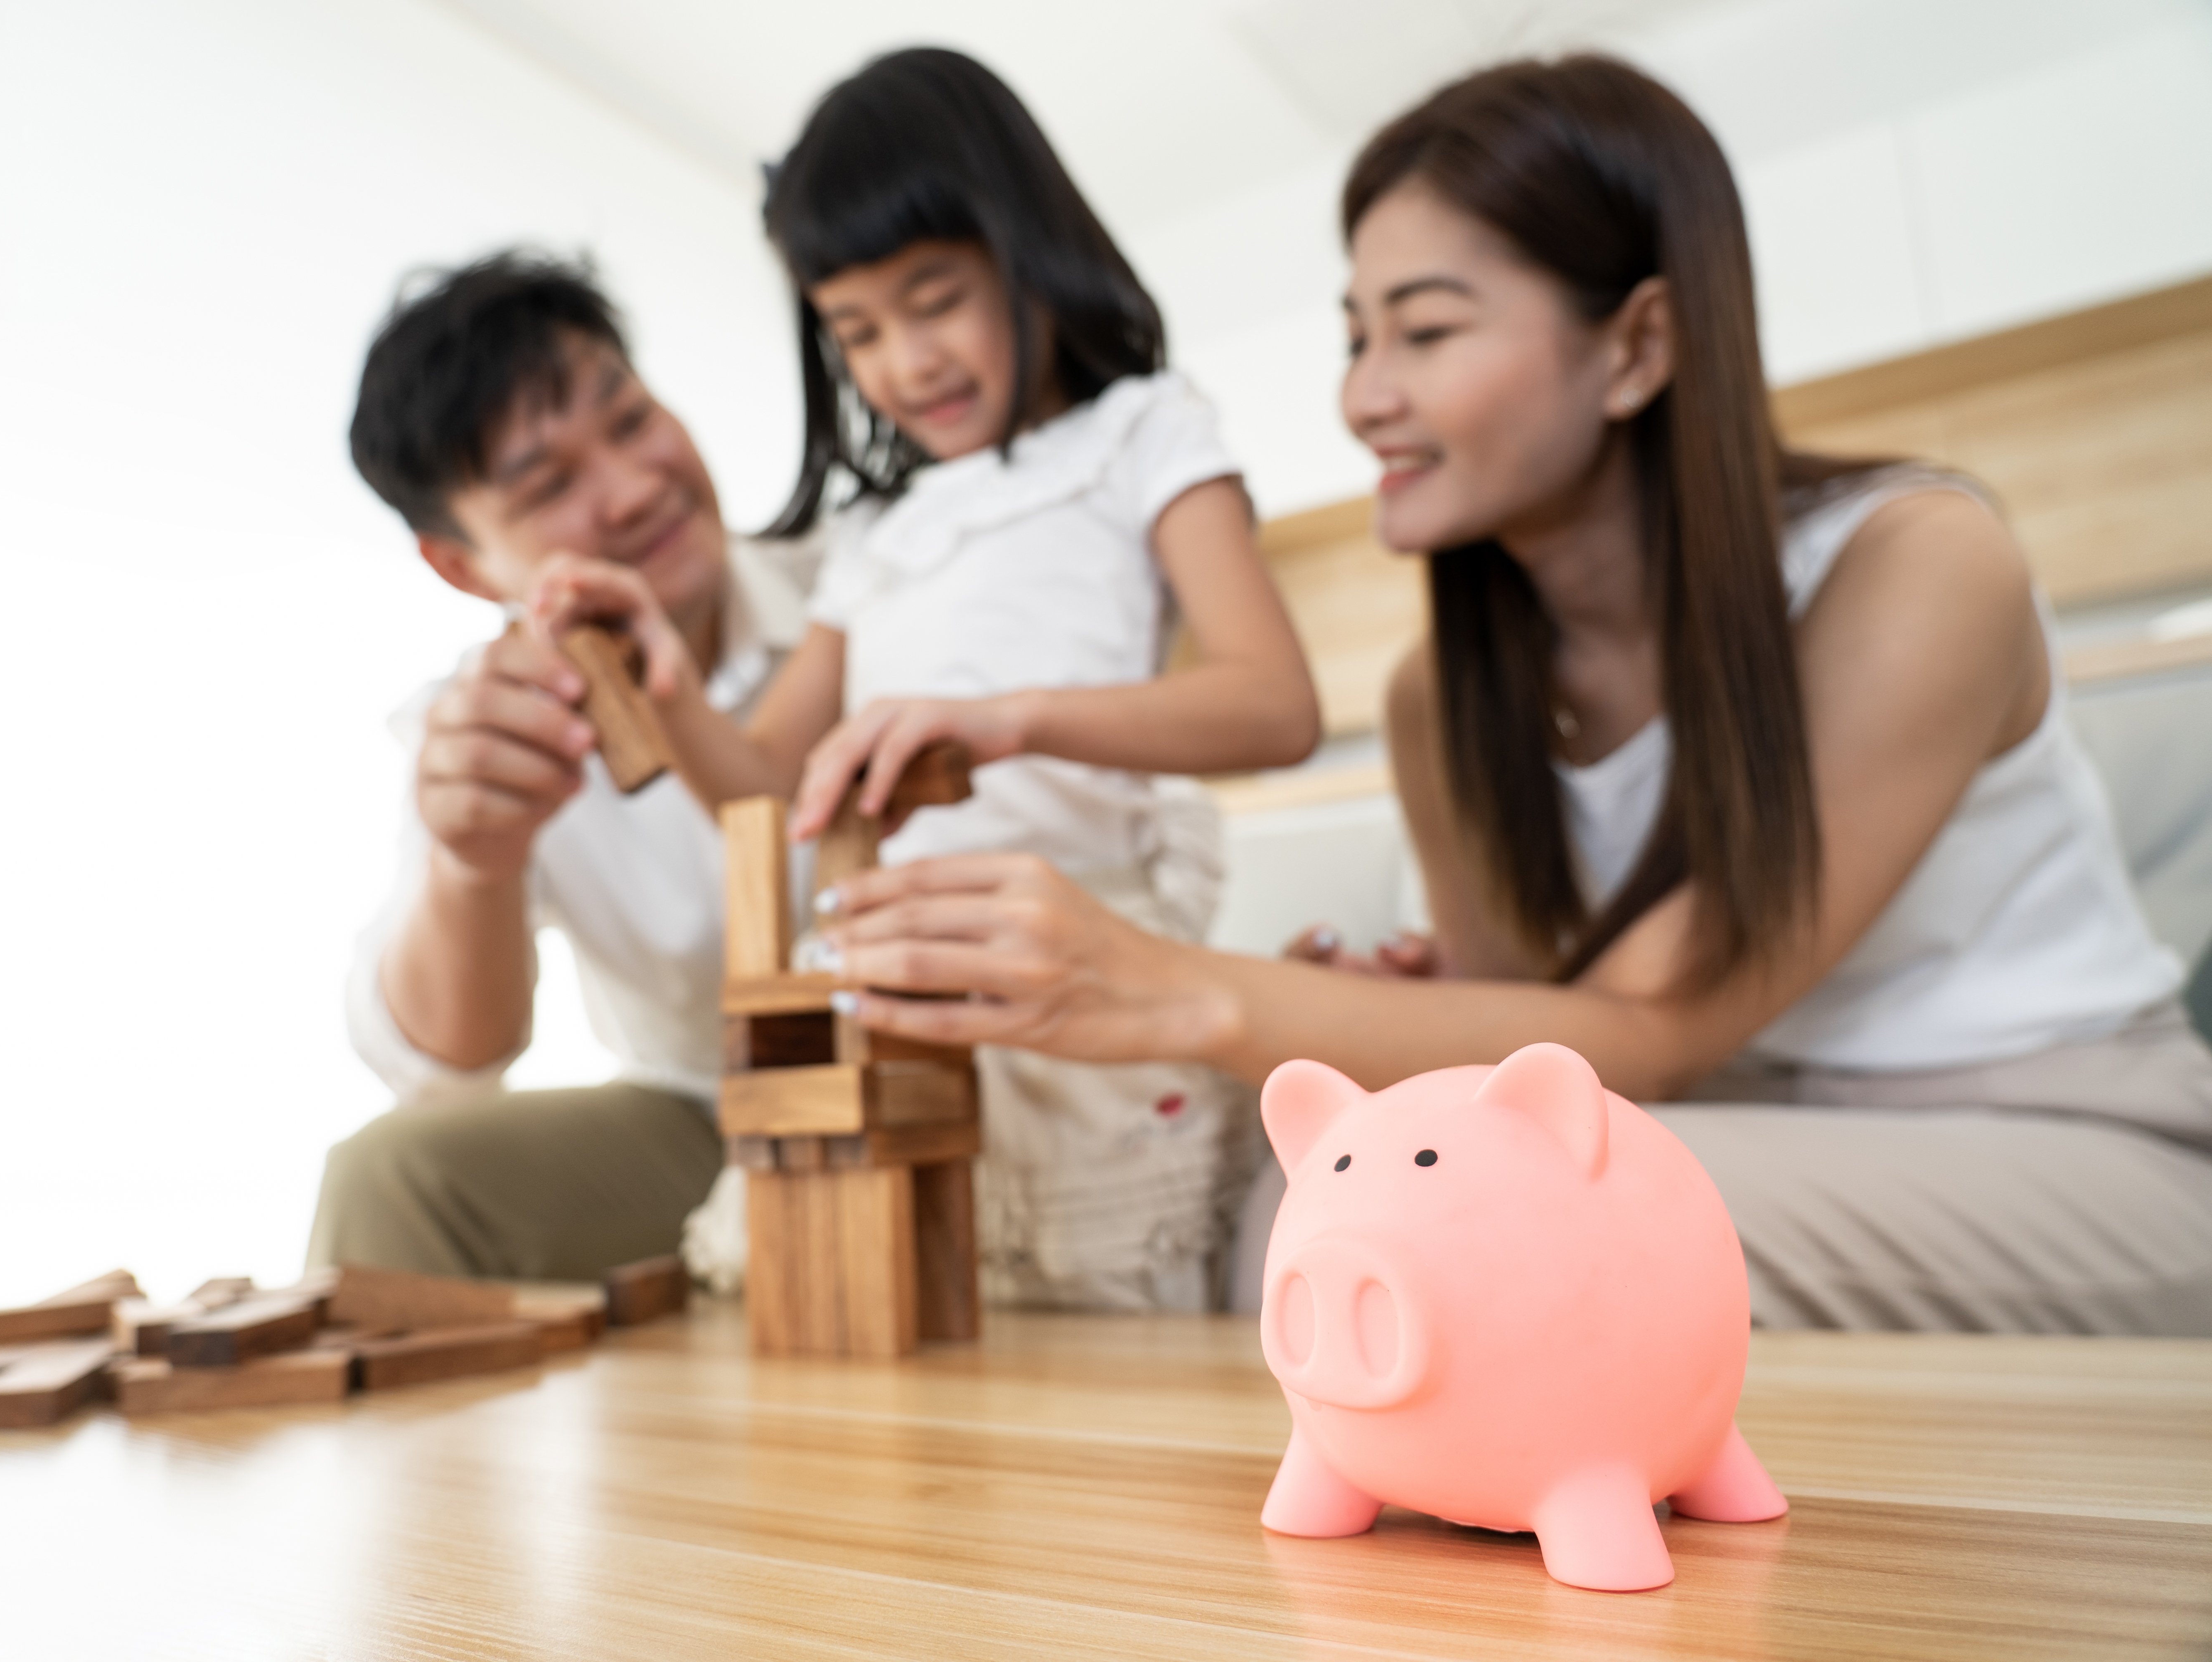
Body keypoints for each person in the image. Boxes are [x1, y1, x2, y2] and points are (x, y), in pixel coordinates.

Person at [805, 56, 2212, 1335]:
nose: (1364, 397)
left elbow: (1659, 1030)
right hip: (1711, 1125)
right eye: (1358, 338)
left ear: (1639, 347)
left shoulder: (1920, 565)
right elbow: (1566, 1040)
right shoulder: (1442, 699)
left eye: (1424, 332)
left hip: (2060, 1138)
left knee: (1473, 1244)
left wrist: (1172, 987)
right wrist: (1411, 1005)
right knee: (1314, 1228)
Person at [537, 49, 1322, 1310]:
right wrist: (667, 683)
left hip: (1078, 967)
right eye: (857, 330)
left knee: (1090, 1334)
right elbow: (761, 789)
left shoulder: (1145, 434)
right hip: (896, 989)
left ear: (1030, 245)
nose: (905, 363)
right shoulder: (877, 536)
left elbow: (1273, 705)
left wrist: (1009, 720)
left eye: (935, 298)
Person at [309, 251, 819, 1281]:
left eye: (630, 419)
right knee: (391, 1176)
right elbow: (449, 1064)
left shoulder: (857, 593)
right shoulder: (483, 724)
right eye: (549, 486)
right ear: (462, 564)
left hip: (950, 1073)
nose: (635, 489)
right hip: (706, 1111)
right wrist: (473, 864)